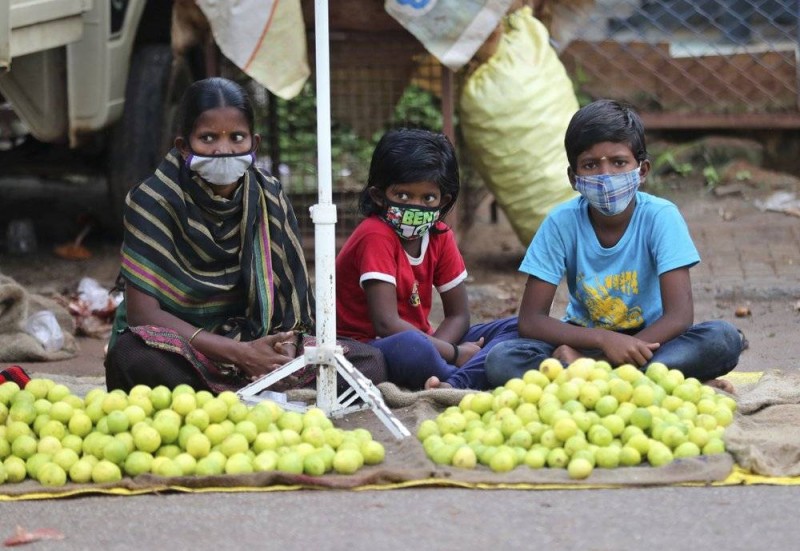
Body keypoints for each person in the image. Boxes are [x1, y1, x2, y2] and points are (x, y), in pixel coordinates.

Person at [105, 77, 385, 393]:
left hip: (256, 338)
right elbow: (144, 316)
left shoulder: (269, 194)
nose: (223, 150)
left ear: (255, 143)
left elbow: (288, 310)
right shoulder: (152, 200)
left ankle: (245, 388)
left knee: (369, 361)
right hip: (186, 347)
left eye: (237, 137)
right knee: (132, 356)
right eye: (208, 138)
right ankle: (253, 391)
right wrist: (240, 354)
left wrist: (279, 350)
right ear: (184, 147)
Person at [484, 99, 744, 391]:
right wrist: (603, 341)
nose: (606, 176)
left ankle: (591, 376)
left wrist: (604, 357)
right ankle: (648, 381)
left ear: (642, 170)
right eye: (591, 165)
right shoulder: (561, 222)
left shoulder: (660, 217)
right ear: (573, 177)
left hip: (652, 342)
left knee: (722, 339)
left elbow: (679, 316)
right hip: (583, 339)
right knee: (502, 360)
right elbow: (531, 320)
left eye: (619, 162)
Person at [335, 128, 518, 391]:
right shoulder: (375, 235)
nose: (416, 206)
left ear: (443, 201)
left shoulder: (440, 236)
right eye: (403, 196)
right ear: (378, 196)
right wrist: (454, 353)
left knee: (516, 327)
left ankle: (449, 378)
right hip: (372, 346)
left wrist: (443, 349)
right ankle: (463, 375)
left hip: (428, 341)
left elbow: (458, 316)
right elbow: (386, 324)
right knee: (413, 348)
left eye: (428, 198)